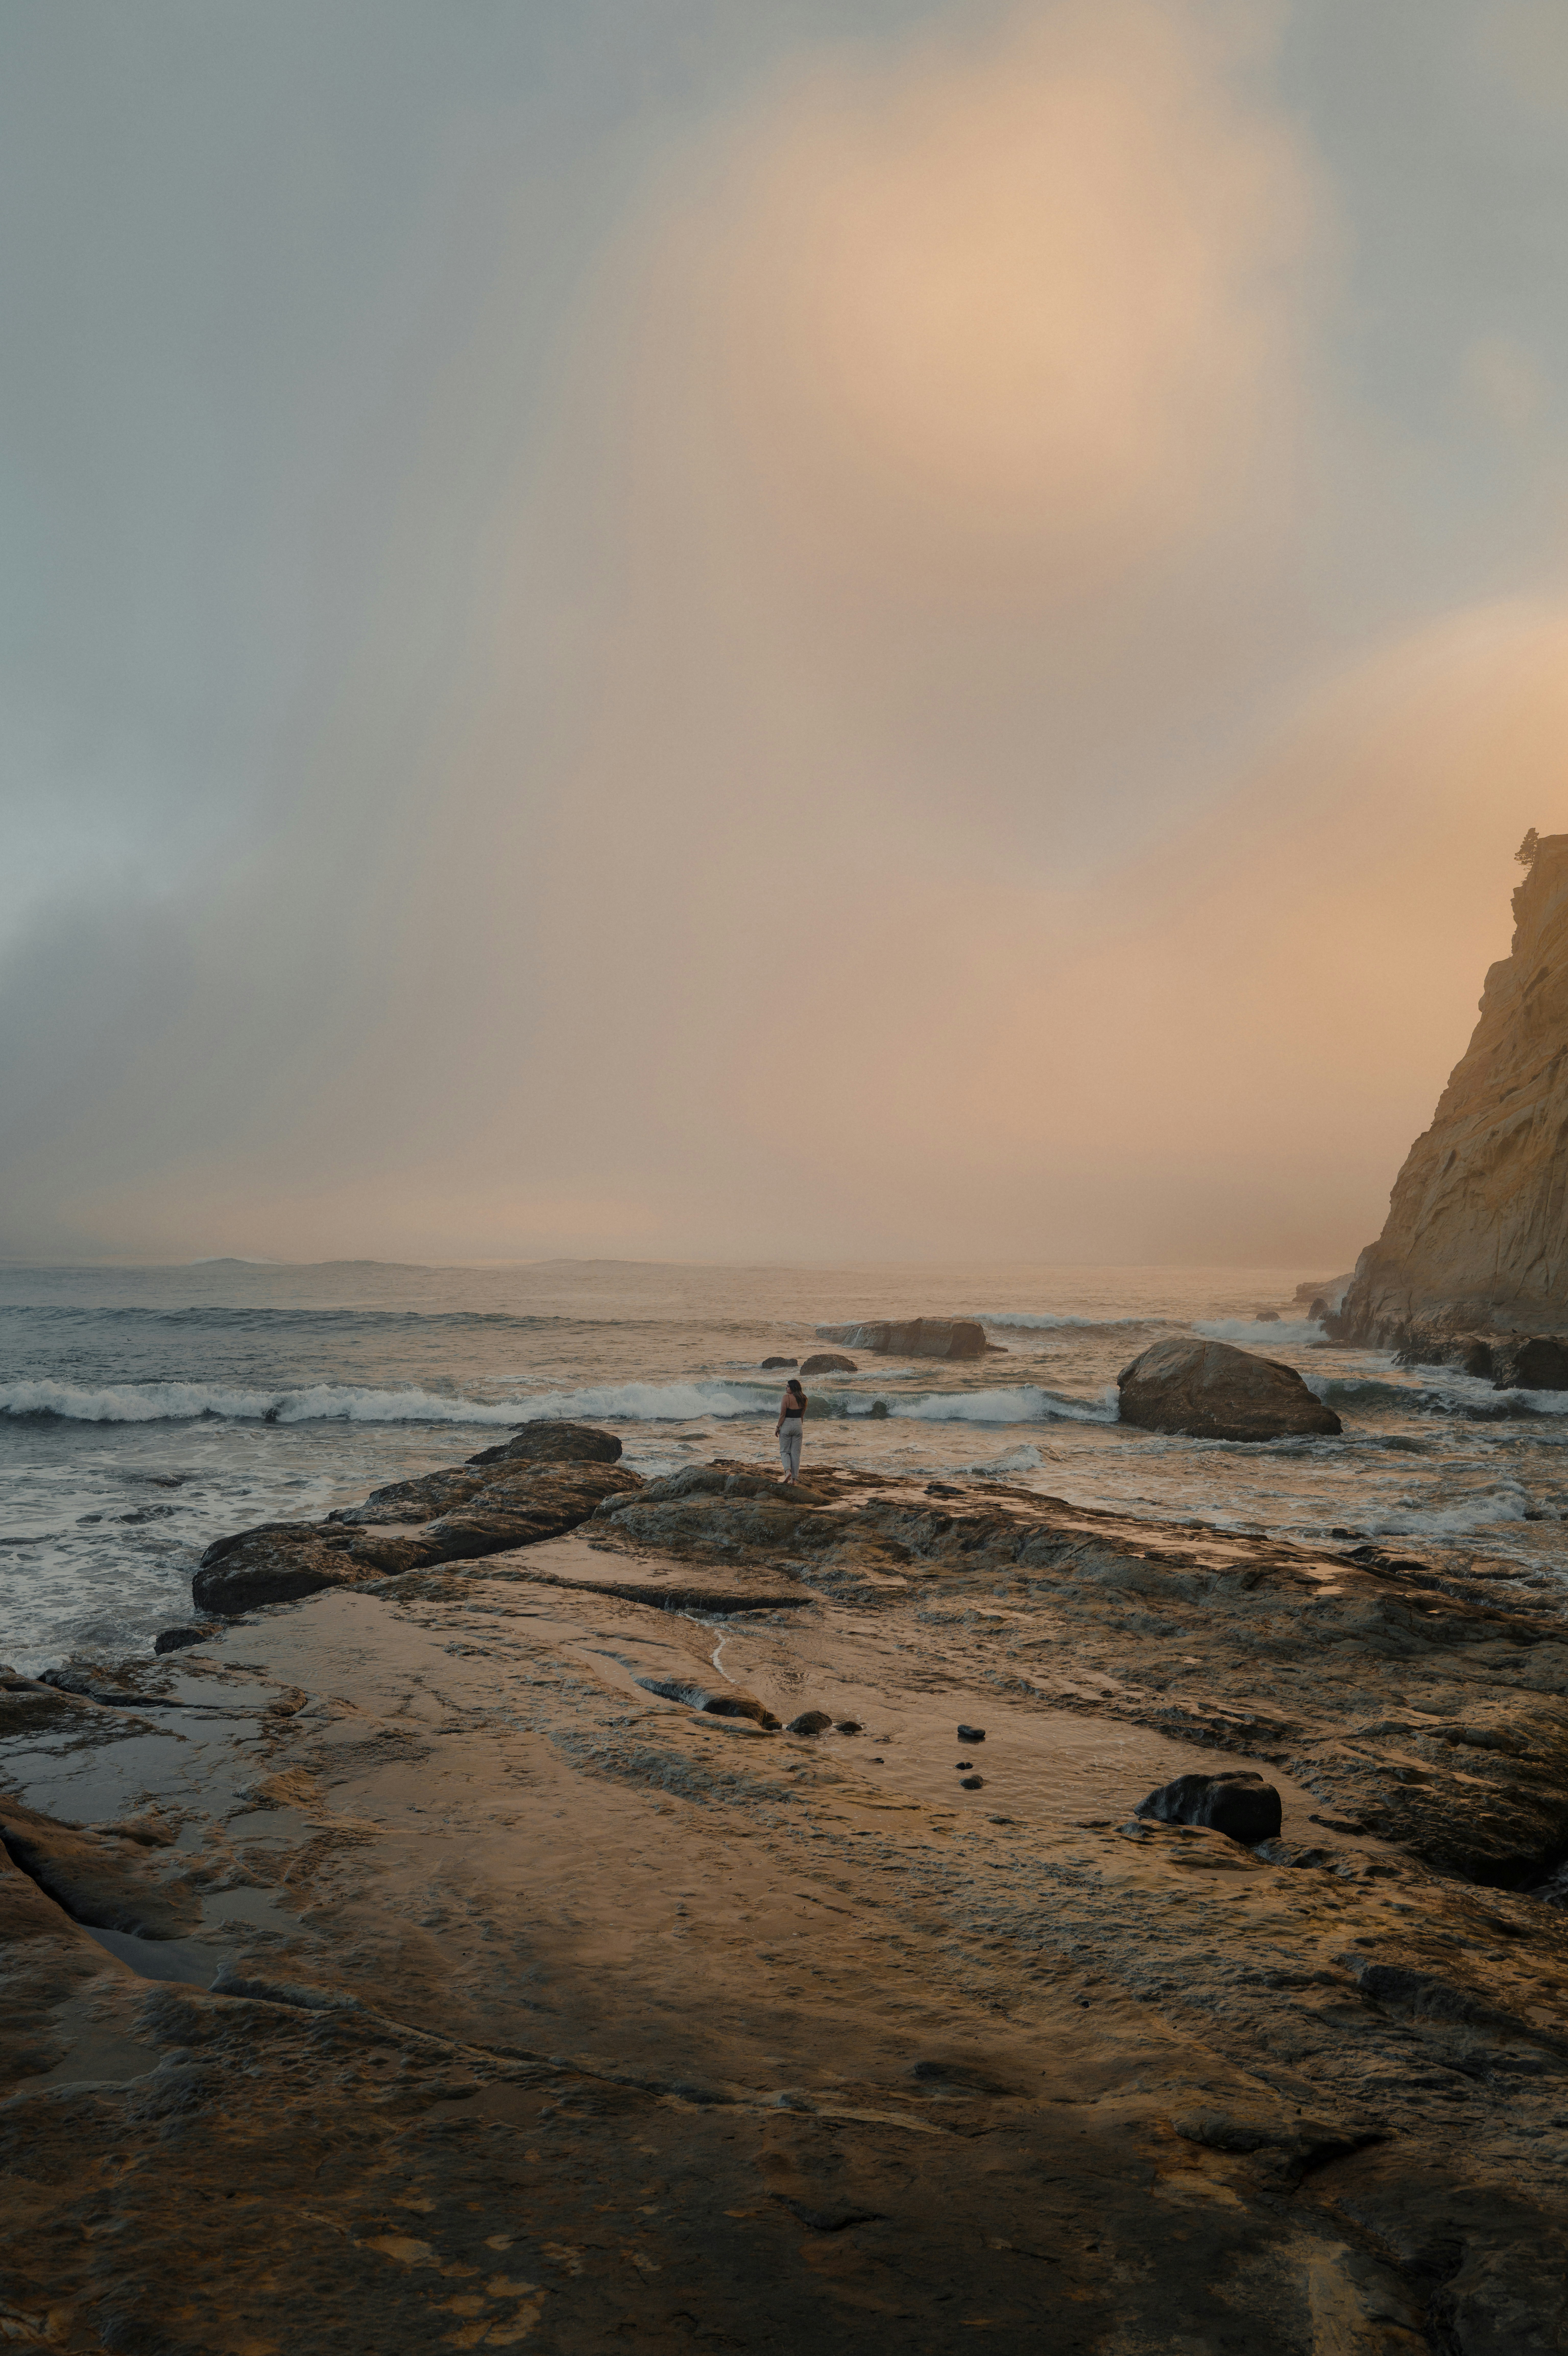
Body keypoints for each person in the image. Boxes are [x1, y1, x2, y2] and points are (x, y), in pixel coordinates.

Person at [775, 1378, 807, 1483]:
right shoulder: (804, 1399)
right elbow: (802, 1416)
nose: (786, 1388)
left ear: (793, 1387)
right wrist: (799, 1428)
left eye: (788, 1386)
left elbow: (783, 1414)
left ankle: (788, 1471)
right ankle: (794, 1479)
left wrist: (778, 1427)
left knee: (785, 1451)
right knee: (796, 1453)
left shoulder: (786, 1398)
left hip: (787, 1425)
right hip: (798, 1425)